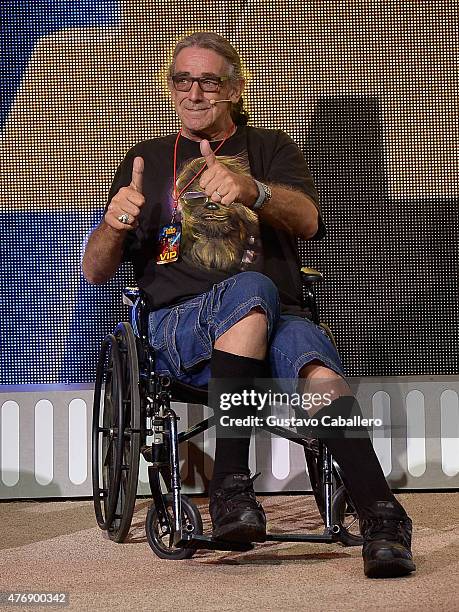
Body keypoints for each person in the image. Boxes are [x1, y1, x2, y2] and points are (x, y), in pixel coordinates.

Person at [82, 31, 415, 578]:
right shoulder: (144, 158)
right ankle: (231, 484)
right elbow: (97, 272)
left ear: (234, 89)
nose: (194, 92)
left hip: (275, 321)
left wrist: (252, 190)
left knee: (313, 364)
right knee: (251, 288)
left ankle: (383, 518)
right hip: (180, 329)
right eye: (182, 80)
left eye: (208, 81)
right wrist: (113, 223)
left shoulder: (271, 148)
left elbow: (308, 222)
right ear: (170, 90)